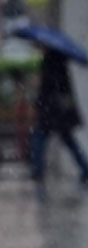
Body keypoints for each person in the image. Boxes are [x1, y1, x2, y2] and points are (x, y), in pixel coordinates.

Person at [29, 49, 88, 183]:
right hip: (58, 112)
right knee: (68, 141)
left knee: (39, 137)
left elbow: (47, 88)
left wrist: (38, 87)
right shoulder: (60, 60)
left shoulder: (51, 61)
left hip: (52, 112)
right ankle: (85, 168)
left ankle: (37, 171)